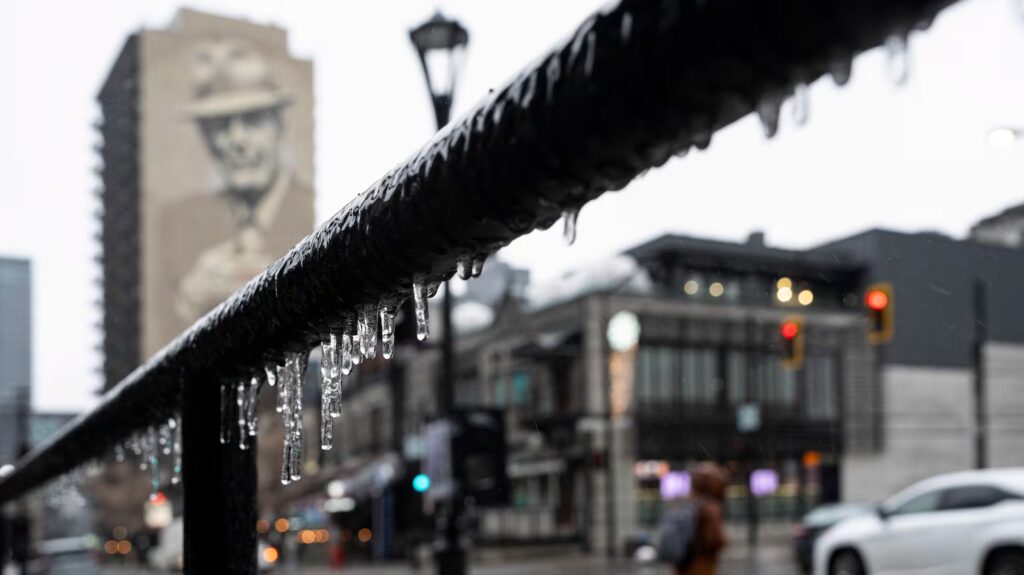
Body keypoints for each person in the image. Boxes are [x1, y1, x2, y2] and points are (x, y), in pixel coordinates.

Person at [676, 462, 728, 575]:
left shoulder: (686, 503)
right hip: (702, 565)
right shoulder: (711, 508)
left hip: (682, 565)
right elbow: (716, 540)